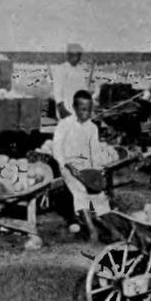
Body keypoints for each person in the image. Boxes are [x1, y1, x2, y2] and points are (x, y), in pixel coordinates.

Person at [53, 90, 111, 242]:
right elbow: (57, 148)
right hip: (68, 164)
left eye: (89, 110)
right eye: (83, 109)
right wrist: (67, 164)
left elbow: (95, 152)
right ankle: (92, 230)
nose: (86, 113)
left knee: (98, 194)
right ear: (74, 108)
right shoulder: (64, 125)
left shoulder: (92, 128)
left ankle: (106, 224)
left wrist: (98, 171)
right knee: (79, 189)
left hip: (85, 164)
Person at [52, 43, 95, 120]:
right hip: (66, 108)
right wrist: (62, 109)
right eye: (75, 55)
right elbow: (57, 91)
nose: (78, 58)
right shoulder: (61, 69)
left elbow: (84, 90)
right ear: (69, 55)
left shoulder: (80, 70)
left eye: (79, 55)